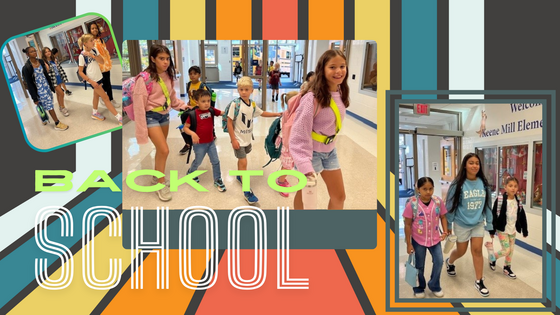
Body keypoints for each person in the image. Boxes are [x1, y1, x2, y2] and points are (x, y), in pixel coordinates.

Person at [290, 49, 349, 210]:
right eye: (332, 67)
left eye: (342, 66)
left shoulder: (341, 91)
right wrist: (304, 164)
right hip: (310, 153)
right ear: (322, 69)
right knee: (306, 196)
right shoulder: (312, 98)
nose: (339, 71)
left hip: (330, 151)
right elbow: (298, 135)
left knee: (339, 196)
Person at [132, 44, 188, 201]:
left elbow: (171, 98)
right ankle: (160, 184)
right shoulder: (144, 79)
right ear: (152, 59)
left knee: (160, 149)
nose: (165, 62)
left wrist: (183, 106)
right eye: (161, 58)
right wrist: (141, 132)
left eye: (167, 58)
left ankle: (157, 176)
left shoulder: (168, 75)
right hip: (150, 117)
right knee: (164, 150)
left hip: (165, 116)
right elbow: (138, 107)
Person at [444, 152, 494, 297]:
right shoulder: (457, 184)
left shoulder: (484, 184)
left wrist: (489, 224)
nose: (474, 165)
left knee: (477, 251)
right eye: (471, 162)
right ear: (465, 165)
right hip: (461, 223)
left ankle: (479, 281)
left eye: (477, 163)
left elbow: (488, 206)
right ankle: (450, 261)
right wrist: (448, 225)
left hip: (478, 222)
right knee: (461, 251)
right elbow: (450, 206)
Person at [227, 76, 282, 204]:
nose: (244, 92)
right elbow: (229, 123)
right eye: (241, 89)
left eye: (246, 89)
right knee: (244, 162)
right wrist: (233, 139)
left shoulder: (252, 104)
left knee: (242, 162)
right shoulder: (235, 104)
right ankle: (247, 191)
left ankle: (240, 177)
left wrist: (277, 114)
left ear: (252, 90)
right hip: (238, 139)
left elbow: (262, 113)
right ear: (238, 90)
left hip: (247, 139)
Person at [403, 177, 448, 298]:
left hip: (435, 239)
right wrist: (409, 243)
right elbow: (407, 224)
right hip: (418, 240)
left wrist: (445, 231)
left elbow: (443, 217)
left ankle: (434, 285)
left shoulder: (437, 201)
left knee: (439, 261)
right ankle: (419, 287)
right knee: (419, 265)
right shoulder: (412, 204)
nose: (428, 192)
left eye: (431, 189)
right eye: (424, 189)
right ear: (418, 189)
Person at [183, 89, 226, 192]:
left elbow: (222, 113)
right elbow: (185, 128)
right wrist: (193, 133)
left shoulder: (211, 110)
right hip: (199, 144)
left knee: (215, 161)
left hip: (211, 142)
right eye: (203, 101)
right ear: (197, 102)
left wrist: (232, 111)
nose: (207, 103)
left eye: (208, 101)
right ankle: (191, 173)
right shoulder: (193, 114)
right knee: (198, 161)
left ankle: (218, 179)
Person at [487, 177, 528, 279]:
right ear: (505, 187)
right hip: (502, 230)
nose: (513, 188)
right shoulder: (500, 199)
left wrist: (524, 230)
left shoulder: (518, 201)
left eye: (515, 186)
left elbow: (522, 216)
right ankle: (493, 258)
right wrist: (492, 230)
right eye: (510, 186)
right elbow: (493, 215)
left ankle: (507, 267)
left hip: (512, 230)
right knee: (506, 250)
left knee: (511, 250)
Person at [77, 34, 121, 125]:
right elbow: (80, 72)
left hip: (99, 77)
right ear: (85, 43)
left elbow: (102, 61)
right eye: (91, 41)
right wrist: (91, 82)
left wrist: (92, 55)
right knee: (106, 98)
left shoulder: (94, 50)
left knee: (96, 96)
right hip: (93, 80)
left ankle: (94, 112)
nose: (93, 42)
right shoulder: (81, 56)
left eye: (93, 40)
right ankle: (119, 118)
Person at [21, 47, 69, 131]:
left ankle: (43, 117)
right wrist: (34, 98)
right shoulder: (27, 67)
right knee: (50, 105)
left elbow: (46, 75)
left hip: (46, 87)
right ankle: (57, 123)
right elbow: (30, 84)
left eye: (34, 51)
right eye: (31, 52)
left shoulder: (41, 61)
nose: (34, 52)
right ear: (27, 54)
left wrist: (51, 86)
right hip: (39, 89)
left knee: (45, 103)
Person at [179, 65, 208, 155]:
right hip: (191, 108)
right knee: (183, 122)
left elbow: (206, 98)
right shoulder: (189, 84)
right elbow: (190, 96)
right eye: (190, 74)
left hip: (199, 109)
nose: (192, 76)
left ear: (199, 75)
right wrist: (188, 103)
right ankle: (188, 143)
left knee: (190, 120)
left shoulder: (202, 86)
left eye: (195, 74)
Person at [88, 22, 118, 107]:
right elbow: (89, 54)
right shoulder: (90, 42)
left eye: (96, 28)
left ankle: (111, 99)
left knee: (108, 82)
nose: (95, 30)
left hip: (105, 65)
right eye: (92, 28)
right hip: (98, 66)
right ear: (90, 30)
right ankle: (102, 96)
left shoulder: (101, 40)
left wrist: (108, 61)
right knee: (103, 84)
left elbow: (105, 52)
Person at [41, 47, 70, 117]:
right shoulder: (44, 62)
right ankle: (63, 107)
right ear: (43, 54)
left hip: (58, 78)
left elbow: (59, 68)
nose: (48, 53)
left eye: (48, 51)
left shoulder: (54, 59)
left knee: (58, 94)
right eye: (46, 52)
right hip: (53, 80)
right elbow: (46, 73)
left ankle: (60, 106)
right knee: (62, 93)